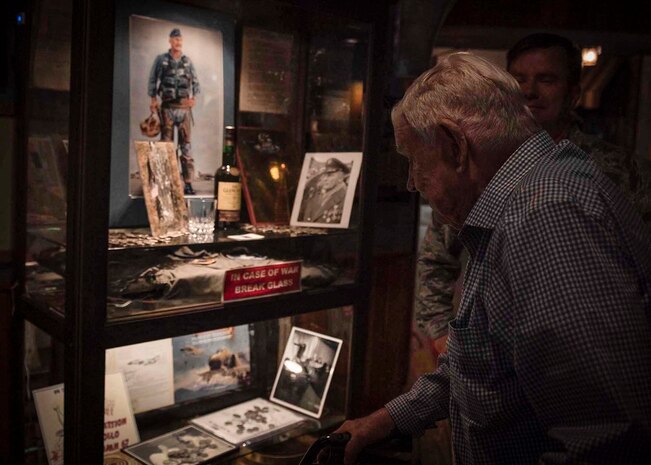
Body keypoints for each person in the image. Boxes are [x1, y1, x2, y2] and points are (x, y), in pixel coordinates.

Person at [336, 52, 651, 465]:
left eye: (415, 161)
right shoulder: (524, 200)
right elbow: (485, 360)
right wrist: (384, 420)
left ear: (455, 145)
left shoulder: (547, 216)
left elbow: (605, 440)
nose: (412, 182)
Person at [415, 32, 651, 348]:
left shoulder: (618, 171)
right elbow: (435, 258)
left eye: (546, 80)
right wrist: (441, 336)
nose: (529, 91)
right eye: (519, 80)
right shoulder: (480, 166)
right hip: (492, 353)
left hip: (590, 354)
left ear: (574, 94)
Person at [148, 28, 201, 195]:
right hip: (167, 109)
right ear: (170, 41)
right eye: (175, 39)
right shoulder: (161, 60)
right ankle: (166, 181)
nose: (178, 42)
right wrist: (153, 100)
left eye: (180, 39)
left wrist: (194, 99)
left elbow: (196, 83)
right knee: (166, 147)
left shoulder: (187, 61)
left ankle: (188, 183)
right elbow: (153, 79)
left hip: (184, 110)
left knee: (186, 147)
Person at [298, 158, 349, 223]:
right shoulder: (314, 194)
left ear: (341, 178)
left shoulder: (346, 197)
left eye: (330, 175)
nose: (325, 179)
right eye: (324, 175)